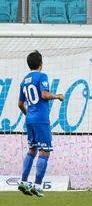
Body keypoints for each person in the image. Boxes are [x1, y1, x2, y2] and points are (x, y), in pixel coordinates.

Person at [17, 50, 64, 197]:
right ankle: (37, 186)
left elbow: (20, 104)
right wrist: (57, 96)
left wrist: (29, 115)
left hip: (29, 119)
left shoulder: (24, 80)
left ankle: (23, 182)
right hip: (41, 120)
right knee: (45, 151)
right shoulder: (42, 76)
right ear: (41, 64)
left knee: (32, 149)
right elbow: (44, 95)